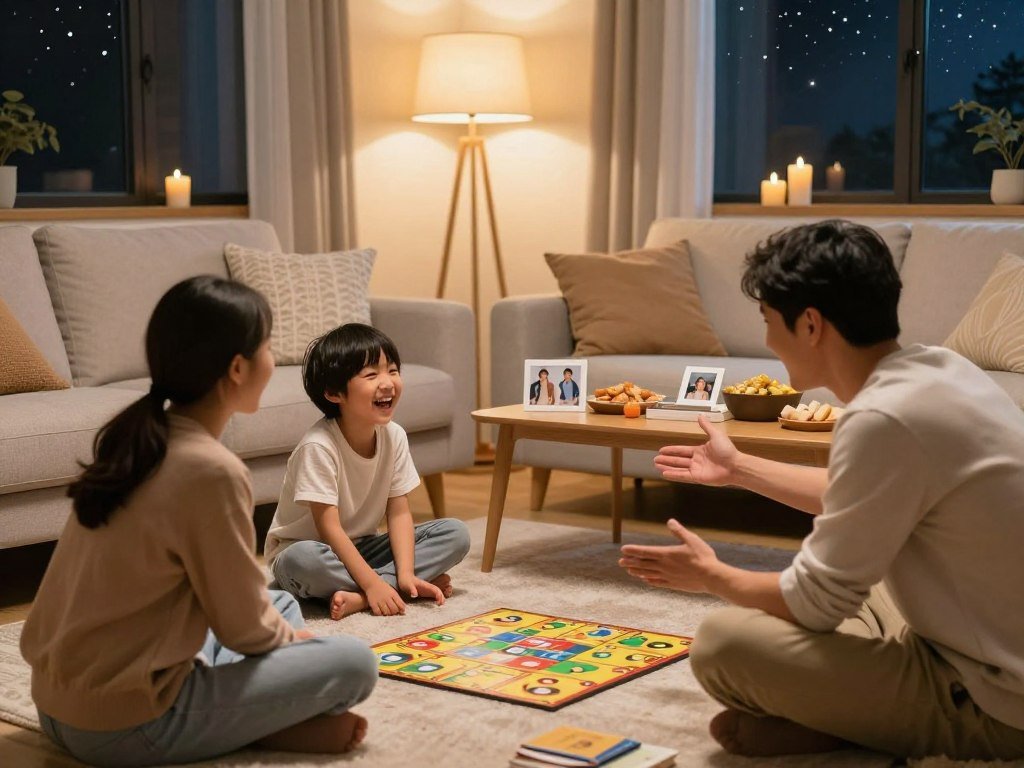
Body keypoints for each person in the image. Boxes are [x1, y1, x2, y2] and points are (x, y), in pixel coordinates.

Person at [618, 220, 1024, 761]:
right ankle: (846, 710)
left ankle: (857, 722)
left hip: (997, 699)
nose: (765, 340)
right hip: (980, 630)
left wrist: (711, 575)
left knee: (723, 644)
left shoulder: (884, 416)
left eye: (768, 321)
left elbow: (814, 605)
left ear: (810, 324)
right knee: (866, 574)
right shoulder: (942, 370)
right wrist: (737, 467)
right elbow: (860, 497)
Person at [20, 276, 378, 767]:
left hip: (56, 704)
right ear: (237, 368)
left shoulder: (139, 439)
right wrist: (290, 644)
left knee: (278, 603)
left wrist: (278, 633)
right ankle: (260, 727)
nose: (273, 361)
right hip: (124, 725)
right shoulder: (211, 470)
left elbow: (236, 610)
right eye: (268, 347)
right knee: (353, 662)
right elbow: (243, 632)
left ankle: (254, 717)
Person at [265, 323, 471, 621]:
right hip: (308, 551)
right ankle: (382, 588)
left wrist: (406, 573)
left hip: (362, 547)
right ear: (334, 393)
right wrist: (374, 583)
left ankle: (375, 592)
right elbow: (329, 529)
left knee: (455, 534)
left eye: (393, 370)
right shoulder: (318, 447)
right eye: (372, 375)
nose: (387, 382)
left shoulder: (394, 435)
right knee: (303, 561)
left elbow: (399, 513)